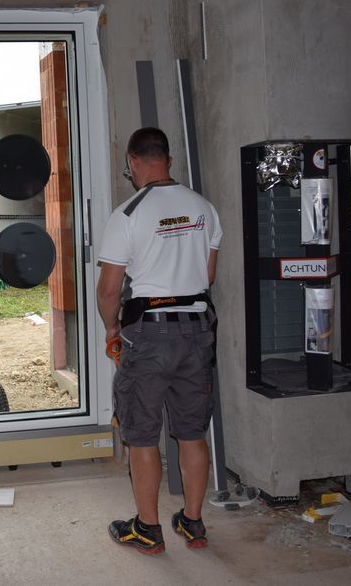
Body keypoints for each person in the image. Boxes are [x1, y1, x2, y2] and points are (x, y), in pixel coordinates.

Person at [95, 127, 222, 555]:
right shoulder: (204, 208)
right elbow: (208, 276)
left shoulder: (128, 214)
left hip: (148, 335)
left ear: (132, 162)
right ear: (168, 159)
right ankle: (193, 521)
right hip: (197, 330)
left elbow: (109, 290)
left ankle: (147, 529)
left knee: (143, 435)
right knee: (191, 432)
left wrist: (113, 328)